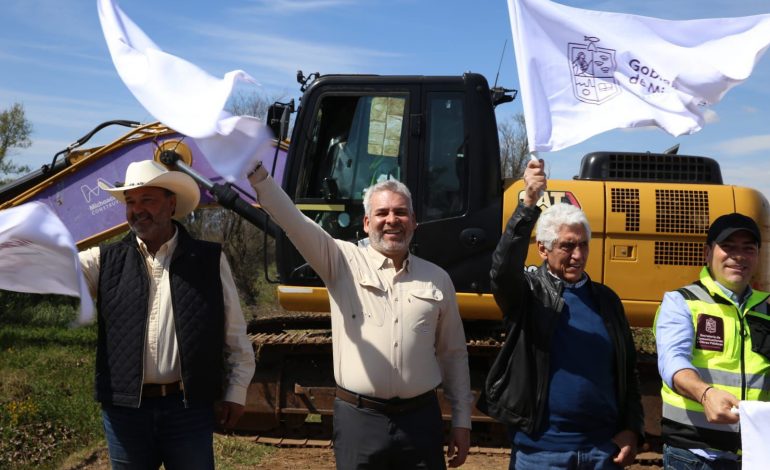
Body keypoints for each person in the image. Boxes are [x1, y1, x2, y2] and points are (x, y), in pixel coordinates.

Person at [247, 160, 473, 469]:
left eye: (400, 212)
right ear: (367, 223)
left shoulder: (437, 279)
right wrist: (258, 175)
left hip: (421, 421)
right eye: (382, 213)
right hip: (359, 421)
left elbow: (453, 354)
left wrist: (462, 421)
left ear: (414, 221)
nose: (392, 220)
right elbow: (294, 222)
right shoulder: (340, 261)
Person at [79, 160, 256, 469]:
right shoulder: (104, 261)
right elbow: (55, 269)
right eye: (131, 202)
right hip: (125, 413)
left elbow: (234, 332)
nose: (137, 209)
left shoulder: (209, 259)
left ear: (171, 203)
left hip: (187, 409)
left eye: (147, 199)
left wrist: (236, 390)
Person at [479, 158, 644, 469]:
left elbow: (628, 371)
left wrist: (632, 428)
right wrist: (528, 203)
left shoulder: (606, 301)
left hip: (601, 452)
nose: (578, 256)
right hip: (542, 454)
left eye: (583, 245)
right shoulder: (527, 295)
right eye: (567, 247)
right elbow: (501, 271)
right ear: (543, 249)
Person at [654, 212, 770, 469]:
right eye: (727, 247)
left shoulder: (766, 309)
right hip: (694, 455)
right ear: (708, 252)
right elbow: (672, 362)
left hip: (755, 454)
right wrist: (705, 394)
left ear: (757, 256)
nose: (738, 256)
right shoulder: (681, 301)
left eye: (747, 249)